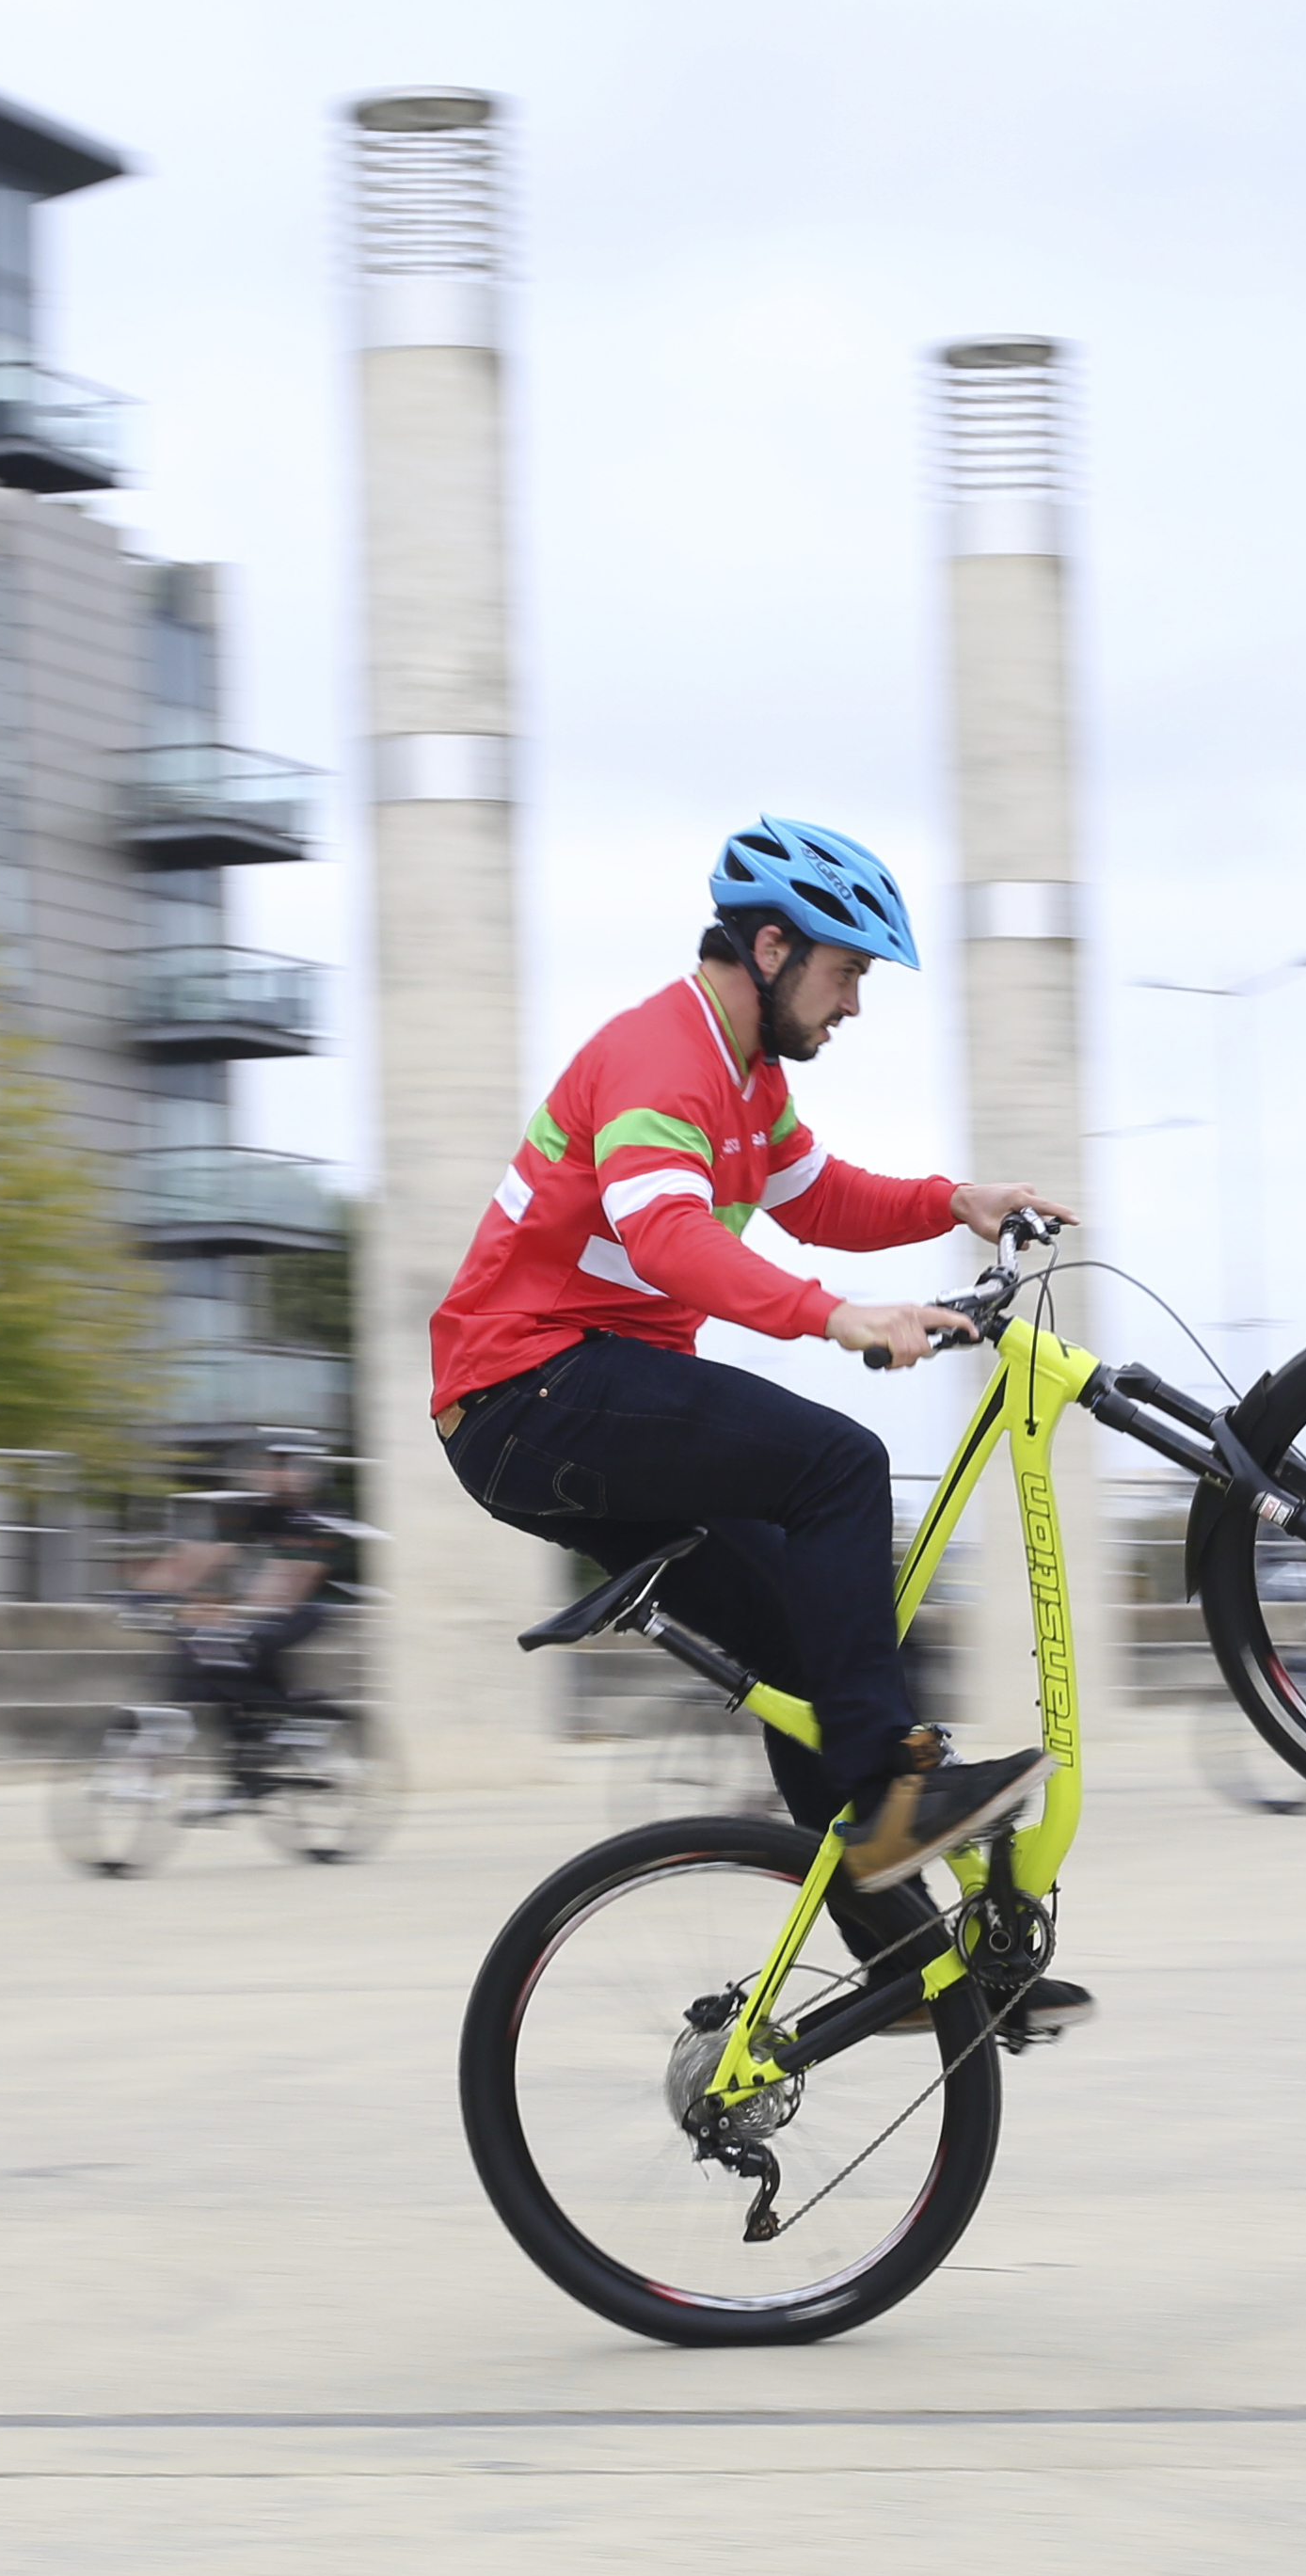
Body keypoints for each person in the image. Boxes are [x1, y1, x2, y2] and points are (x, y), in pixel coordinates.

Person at [426, 817, 1091, 2029]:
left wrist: (961, 1202)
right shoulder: (657, 1058)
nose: (853, 1006)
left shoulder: (750, 1080)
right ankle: (901, 1789)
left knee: (801, 1642)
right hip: (525, 1388)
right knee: (840, 1463)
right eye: (848, 974)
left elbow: (821, 1196)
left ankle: (898, 1963)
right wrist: (835, 1320)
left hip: (578, 1392)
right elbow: (664, 1232)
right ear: (773, 948)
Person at [125, 1438, 350, 1785]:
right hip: (262, 1607)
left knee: (233, 1650)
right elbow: (199, 1557)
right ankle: (241, 1767)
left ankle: (277, 1738)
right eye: (265, 1465)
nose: (267, 1474)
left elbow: (290, 1580)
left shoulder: (316, 1517)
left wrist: (224, 1614)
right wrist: (144, 1593)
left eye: (280, 1465)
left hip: (308, 1608)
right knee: (197, 1657)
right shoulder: (255, 1511)